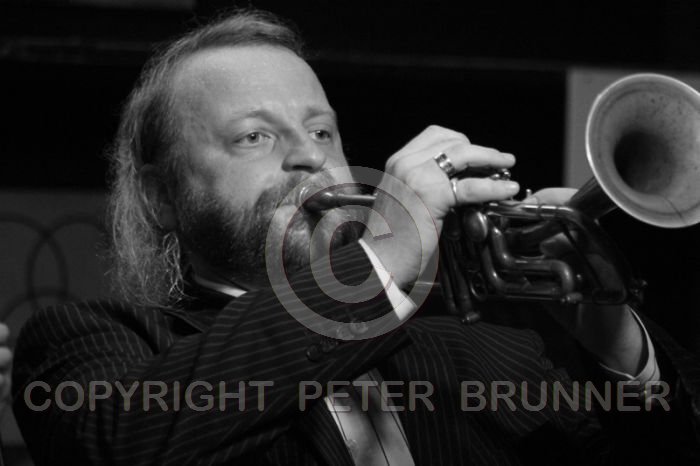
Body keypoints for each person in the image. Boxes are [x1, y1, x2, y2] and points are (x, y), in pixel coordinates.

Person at [11, 9, 700, 465]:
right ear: (161, 197)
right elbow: (120, 444)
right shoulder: (88, 346)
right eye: (254, 137)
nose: (309, 157)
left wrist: (613, 339)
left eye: (322, 131)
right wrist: (381, 262)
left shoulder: (480, 358)